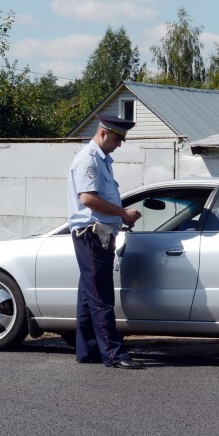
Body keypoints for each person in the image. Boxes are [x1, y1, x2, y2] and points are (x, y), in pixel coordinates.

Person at [67, 115, 144, 369]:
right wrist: (122, 213)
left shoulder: (101, 159)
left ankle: (88, 350)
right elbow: (88, 199)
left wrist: (117, 219)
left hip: (97, 232)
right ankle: (114, 354)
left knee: (89, 295)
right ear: (103, 133)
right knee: (101, 296)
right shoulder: (88, 159)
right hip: (91, 233)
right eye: (117, 138)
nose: (120, 144)